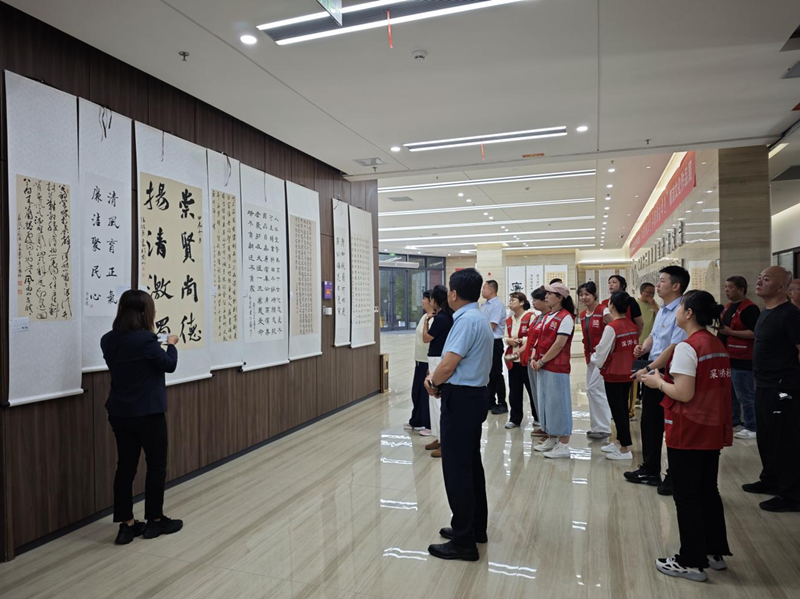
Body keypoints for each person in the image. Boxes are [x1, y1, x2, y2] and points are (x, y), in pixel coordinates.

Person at [643, 290, 732, 583]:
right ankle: (713, 552)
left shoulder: (688, 347)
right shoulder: (715, 343)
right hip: (710, 428)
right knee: (708, 491)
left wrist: (657, 382)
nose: (677, 313)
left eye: (680, 307)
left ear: (689, 313)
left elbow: (683, 393)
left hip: (688, 430)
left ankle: (691, 561)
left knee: (687, 497)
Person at [101, 289, 183, 545]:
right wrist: (171, 345)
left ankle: (126, 526)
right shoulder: (147, 340)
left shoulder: (107, 340)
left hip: (120, 413)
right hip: (148, 413)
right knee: (156, 465)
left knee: (125, 467)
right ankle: (154, 521)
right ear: (146, 312)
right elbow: (169, 365)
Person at [425, 268, 494, 561]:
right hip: (473, 397)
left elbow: (449, 363)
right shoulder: (477, 317)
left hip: (462, 400)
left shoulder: (465, 321)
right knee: (470, 465)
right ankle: (474, 528)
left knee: (457, 470)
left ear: (453, 293)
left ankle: (464, 541)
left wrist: (433, 382)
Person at [626, 265, 691, 495]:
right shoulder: (662, 309)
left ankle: (674, 475)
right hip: (654, 370)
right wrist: (643, 348)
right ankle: (650, 469)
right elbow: (654, 336)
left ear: (676, 286)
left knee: (672, 426)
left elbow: (673, 348)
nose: (657, 285)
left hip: (670, 374)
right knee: (650, 423)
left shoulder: (683, 311)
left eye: (662, 281)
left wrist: (649, 368)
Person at [742, 266, 800, 513]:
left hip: (783, 388)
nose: (759, 282)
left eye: (766, 279)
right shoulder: (766, 312)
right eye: (759, 277)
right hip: (764, 385)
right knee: (766, 438)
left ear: (782, 287)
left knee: (784, 442)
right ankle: (771, 479)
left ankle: (791, 495)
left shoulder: (791, 315)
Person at [530, 282, 576, 458]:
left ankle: (564, 444)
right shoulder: (548, 315)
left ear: (560, 298)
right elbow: (539, 340)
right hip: (543, 365)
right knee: (547, 403)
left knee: (559, 404)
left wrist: (541, 361)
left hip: (556, 367)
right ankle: (552, 437)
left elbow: (559, 344)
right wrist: (535, 358)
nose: (546, 296)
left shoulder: (566, 317)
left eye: (550, 294)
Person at [591, 291, 638, 460]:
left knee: (618, 411)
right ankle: (619, 441)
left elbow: (602, 352)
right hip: (628, 372)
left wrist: (595, 359)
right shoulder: (632, 325)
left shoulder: (612, 327)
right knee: (622, 408)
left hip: (614, 374)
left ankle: (625, 448)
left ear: (612, 305)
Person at [717, 276, 760, 439]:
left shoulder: (750, 309)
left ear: (741, 289)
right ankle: (734, 421)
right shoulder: (729, 307)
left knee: (745, 395)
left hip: (743, 359)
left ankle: (752, 426)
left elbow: (755, 333)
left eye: (730, 287)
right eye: (726, 287)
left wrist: (731, 332)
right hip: (729, 358)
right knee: (731, 394)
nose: (727, 290)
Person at [578, 282, 612, 440]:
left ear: (594, 295)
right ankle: (596, 427)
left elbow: (615, 328)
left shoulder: (603, 311)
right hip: (590, 357)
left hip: (603, 358)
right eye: (581, 295)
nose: (584, 297)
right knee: (591, 391)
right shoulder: (583, 314)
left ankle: (604, 427)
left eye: (587, 294)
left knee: (595, 390)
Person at [423, 285, 454, 458]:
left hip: (438, 359)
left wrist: (426, 321)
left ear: (434, 301)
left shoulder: (441, 318)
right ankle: (439, 437)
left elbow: (426, 338)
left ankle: (444, 441)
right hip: (436, 358)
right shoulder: (447, 316)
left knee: (437, 400)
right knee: (433, 401)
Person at [504, 292, 536, 429]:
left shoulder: (530, 316)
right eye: (510, 300)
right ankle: (515, 419)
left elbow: (534, 336)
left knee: (531, 389)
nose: (510, 302)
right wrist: (509, 340)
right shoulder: (509, 320)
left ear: (522, 302)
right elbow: (505, 336)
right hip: (513, 359)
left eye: (513, 300)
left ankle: (537, 417)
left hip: (526, 359)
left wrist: (521, 340)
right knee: (514, 391)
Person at [406, 290, 433, 435]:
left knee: (425, 394)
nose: (422, 301)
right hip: (419, 360)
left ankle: (428, 424)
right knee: (416, 391)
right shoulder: (424, 316)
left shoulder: (434, 319)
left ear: (431, 301)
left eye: (424, 299)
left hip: (427, 361)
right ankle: (416, 420)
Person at [481, 280, 508, 414]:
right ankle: (490, 401)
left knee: (496, 373)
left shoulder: (497, 305)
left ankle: (502, 403)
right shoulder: (485, 305)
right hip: (486, 342)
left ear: (491, 290)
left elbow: (492, 325)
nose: (482, 291)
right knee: (489, 373)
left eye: (484, 288)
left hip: (495, 342)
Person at [526, 287, 549, 438]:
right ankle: (543, 423)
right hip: (532, 360)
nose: (533, 302)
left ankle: (549, 427)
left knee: (545, 394)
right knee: (536, 393)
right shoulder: (538, 318)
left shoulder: (550, 318)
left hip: (543, 361)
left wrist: (540, 359)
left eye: (536, 300)